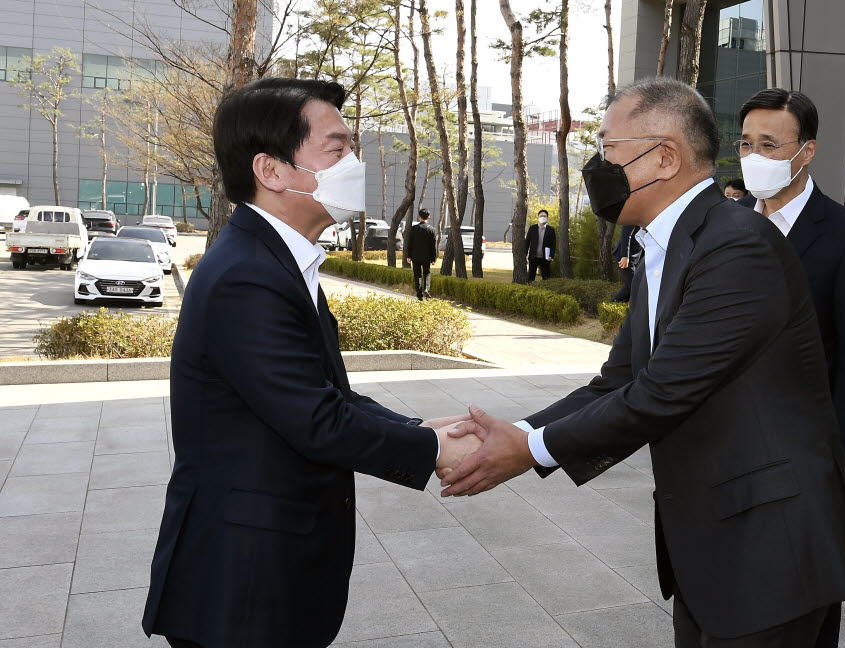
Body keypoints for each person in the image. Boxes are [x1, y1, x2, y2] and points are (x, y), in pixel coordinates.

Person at [439, 77, 845, 648]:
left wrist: (528, 451)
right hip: (713, 547)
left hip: (771, 547)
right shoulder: (666, 244)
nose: (598, 165)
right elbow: (617, 382)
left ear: (664, 157)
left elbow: (661, 392)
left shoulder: (736, 245)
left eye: (609, 149)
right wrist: (517, 431)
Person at [141, 78, 480, 648]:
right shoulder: (248, 275)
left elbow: (322, 391)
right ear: (272, 172)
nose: (355, 163)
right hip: (241, 585)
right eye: (337, 149)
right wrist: (437, 451)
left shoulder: (274, 258)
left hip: (265, 574)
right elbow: (317, 420)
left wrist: (414, 427)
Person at [736, 87, 845, 648]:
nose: (754, 157)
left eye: (770, 144)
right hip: (725, 443)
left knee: (807, 587)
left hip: (804, 450)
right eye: (746, 143)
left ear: (807, 151)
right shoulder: (724, 226)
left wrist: (837, 460)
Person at [404, 207, 436, 299]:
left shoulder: (413, 229)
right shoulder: (432, 230)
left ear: (419, 217)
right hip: (427, 256)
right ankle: (426, 289)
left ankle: (419, 295)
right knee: (427, 273)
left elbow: (410, 243)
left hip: (415, 256)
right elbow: (433, 246)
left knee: (417, 274)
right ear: (428, 217)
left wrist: (408, 256)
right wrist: (433, 258)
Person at [610, 224, 641, 302]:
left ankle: (621, 309)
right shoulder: (632, 215)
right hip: (625, 257)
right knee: (632, 286)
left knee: (632, 287)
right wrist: (625, 256)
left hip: (635, 257)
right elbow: (626, 235)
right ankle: (610, 306)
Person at [525, 209, 556, 280]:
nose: (543, 217)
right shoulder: (532, 228)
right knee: (531, 277)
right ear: (538, 217)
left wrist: (551, 256)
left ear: (547, 218)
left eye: (544, 216)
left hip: (545, 258)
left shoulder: (551, 230)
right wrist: (525, 253)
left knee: (546, 277)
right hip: (533, 257)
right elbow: (527, 242)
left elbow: (553, 244)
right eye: (541, 216)